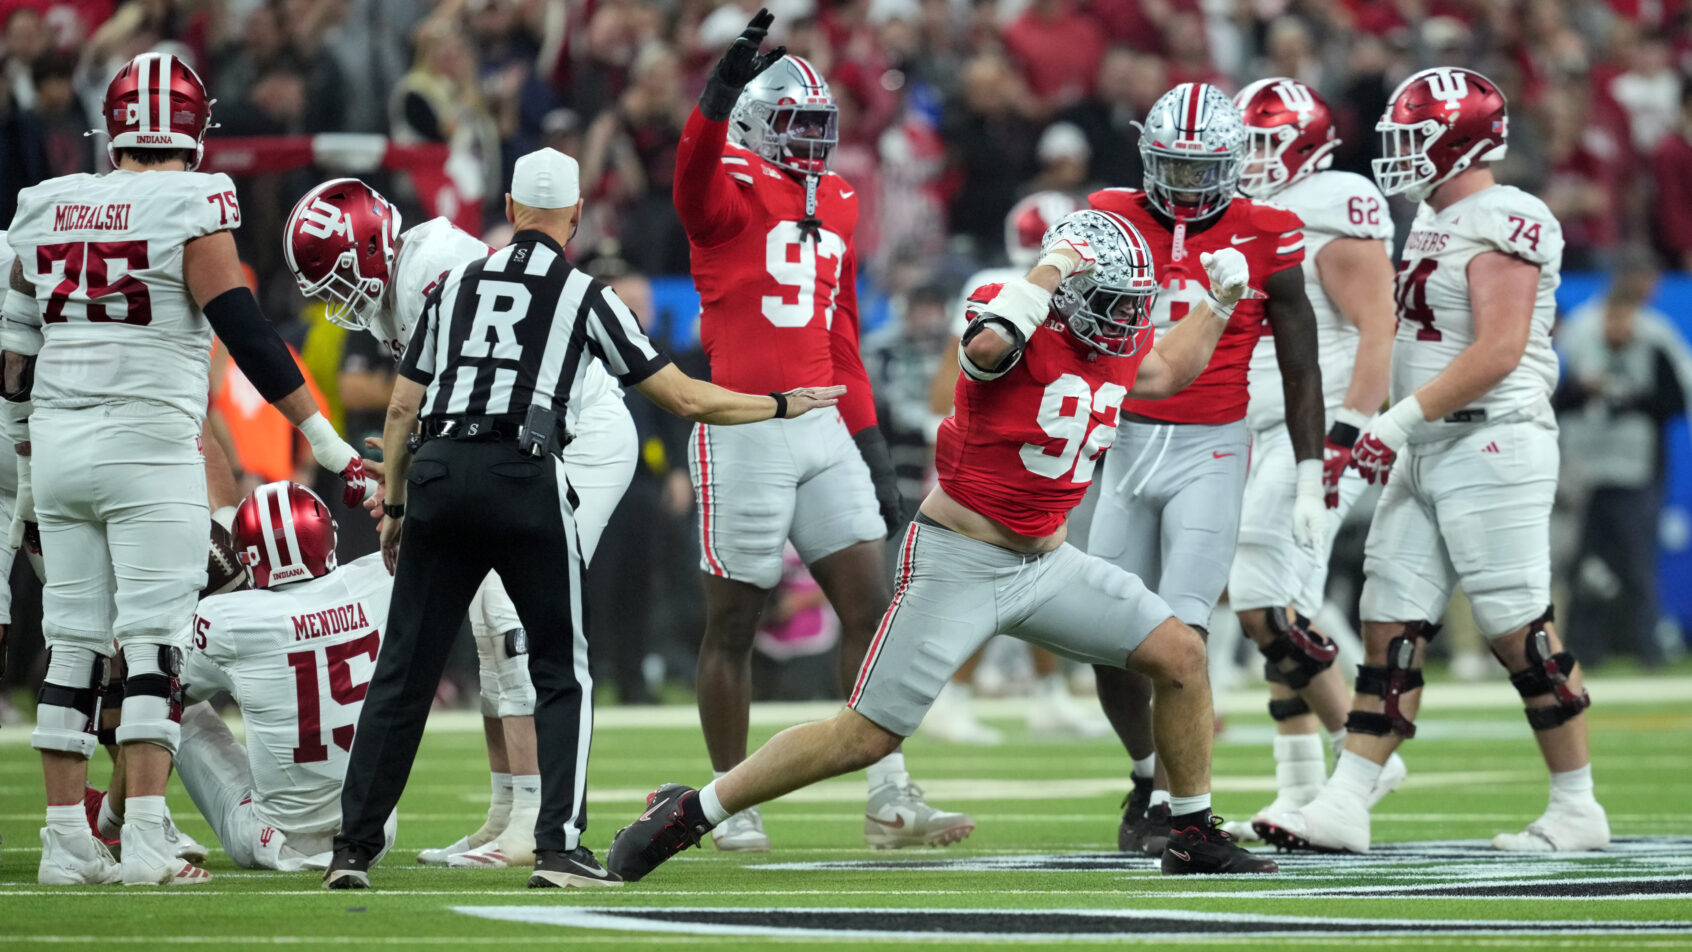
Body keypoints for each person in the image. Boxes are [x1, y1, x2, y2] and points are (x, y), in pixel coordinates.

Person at [606, 211, 1280, 882]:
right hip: (959, 560)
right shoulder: (1005, 312)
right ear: (1068, 289)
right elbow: (984, 351)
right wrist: (1052, 267)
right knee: (863, 737)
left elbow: (1164, 372)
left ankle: (1192, 833)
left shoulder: (1112, 342)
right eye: (1113, 301)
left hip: (1048, 563)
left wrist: (1219, 305)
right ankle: (690, 812)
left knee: (1181, 655)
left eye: (1135, 304)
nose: (1127, 320)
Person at [324, 147, 847, 890]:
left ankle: (352, 849)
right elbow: (682, 397)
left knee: (404, 669)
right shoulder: (583, 292)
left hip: (439, 471)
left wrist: (399, 505)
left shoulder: (451, 285)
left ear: (510, 209)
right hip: (522, 472)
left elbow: (403, 408)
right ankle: (557, 848)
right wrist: (780, 403)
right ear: (576, 215)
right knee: (561, 669)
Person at [5, 52, 370, 887]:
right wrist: (326, 442)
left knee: (71, 643)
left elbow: (14, 354)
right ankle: (143, 835)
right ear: (194, 128)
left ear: (116, 127)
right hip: (146, 447)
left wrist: (26, 457)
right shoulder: (194, 200)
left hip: (55, 444)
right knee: (152, 645)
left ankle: (65, 842)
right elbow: (244, 329)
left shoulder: (45, 203)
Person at [1258, 67, 1608, 855]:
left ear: (1463, 139)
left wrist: (1397, 419)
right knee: (1389, 626)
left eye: (1416, 137)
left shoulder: (1507, 214)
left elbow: (1499, 348)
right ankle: (1347, 801)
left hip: (1492, 440)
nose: (1400, 152)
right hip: (1427, 443)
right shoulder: (1429, 217)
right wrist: (1396, 425)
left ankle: (1577, 805)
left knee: (1518, 631)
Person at [282, 178, 639, 869]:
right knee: (484, 624)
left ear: (371, 246)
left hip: (577, 434)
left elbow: (479, 391)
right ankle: (507, 808)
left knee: (510, 611)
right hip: (514, 445)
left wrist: (405, 486)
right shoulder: (400, 283)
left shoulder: (435, 269)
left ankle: (536, 815)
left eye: (340, 281)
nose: (338, 302)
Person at [674, 9, 966, 852]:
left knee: (872, 611)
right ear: (755, 123)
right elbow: (690, 178)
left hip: (824, 422)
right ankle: (730, 801)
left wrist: (868, 444)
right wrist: (717, 94)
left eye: (818, 124)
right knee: (735, 623)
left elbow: (841, 337)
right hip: (744, 424)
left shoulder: (834, 198)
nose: (810, 139)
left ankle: (889, 795)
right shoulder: (728, 180)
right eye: (793, 123)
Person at [1084, 82, 1327, 857]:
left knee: (1181, 635)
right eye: (1175, 167)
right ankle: (1146, 777)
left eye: (1202, 169)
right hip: (1125, 441)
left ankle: (1183, 809)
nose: (1187, 185)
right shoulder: (1108, 215)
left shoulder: (1268, 230)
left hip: (1211, 446)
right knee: (1107, 638)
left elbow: (1301, 363)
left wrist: (1313, 470)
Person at [1221, 78, 1405, 842]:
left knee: (1261, 597)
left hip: (1322, 426)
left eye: (1266, 141)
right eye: (1247, 143)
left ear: (1308, 141)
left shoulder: (1333, 199)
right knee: (1281, 599)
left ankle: (1360, 755)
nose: (1253, 157)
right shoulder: (1252, 208)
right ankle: (1298, 788)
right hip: (1270, 424)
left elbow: (1378, 326)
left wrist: (1349, 432)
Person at [176, 481, 397, 870]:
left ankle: (129, 820)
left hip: (271, 838)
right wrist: (396, 496)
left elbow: (176, 691)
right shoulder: (378, 578)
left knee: (166, 700)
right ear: (327, 535)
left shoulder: (227, 619)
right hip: (373, 829)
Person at [1556, 256, 1689, 667]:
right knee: (1584, 564)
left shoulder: (1654, 343)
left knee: (1637, 562)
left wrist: (1632, 399)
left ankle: (1647, 647)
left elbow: (1673, 402)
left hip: (1635, 469)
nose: (1618, 327)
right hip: (1584, 471)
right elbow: (1557, 400)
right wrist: (1585, 391)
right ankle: (1585, 649)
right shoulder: (1580, 335)